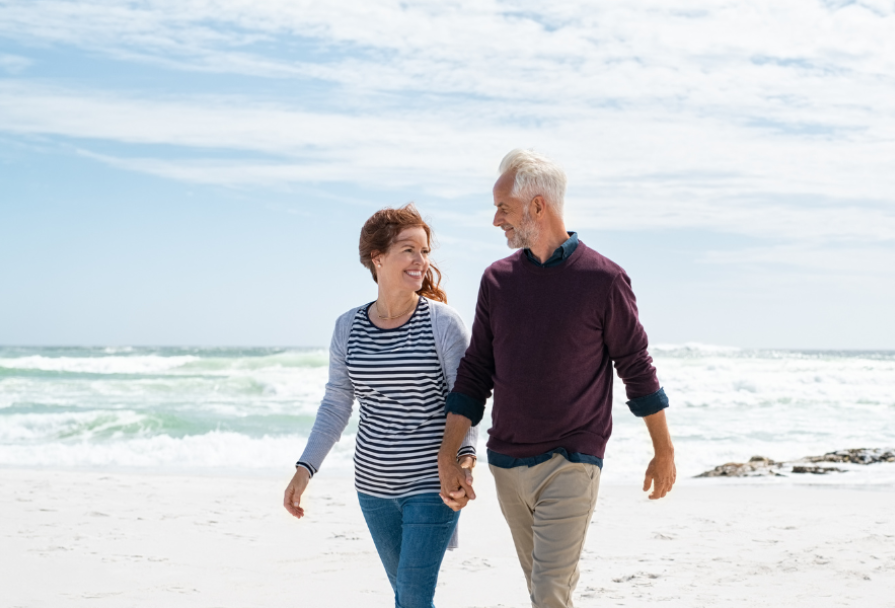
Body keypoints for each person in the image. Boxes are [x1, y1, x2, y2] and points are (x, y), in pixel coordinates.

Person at [436, 149, 676, 608]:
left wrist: (663, 450)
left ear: (537, 206)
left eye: (502, 208)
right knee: (543, 591)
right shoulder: (497, 280)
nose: (495, 221)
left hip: (572, 460)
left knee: (548, 593)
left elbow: (636, 366)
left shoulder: (604, 280)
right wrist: (450, 456)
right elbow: (475, 373)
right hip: (505, 464)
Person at [283, 204, 477, 608]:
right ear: (378, 258)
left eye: (424, 252)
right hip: (372, 488)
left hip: (432, 485)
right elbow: (337, 404)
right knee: (406, 596)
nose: (420, 261)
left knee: (412, 597)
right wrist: (305, 469)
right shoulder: (347, 327)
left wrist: (464, 461)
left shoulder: (442, 323)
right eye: (409, 250)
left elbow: (466, 400)